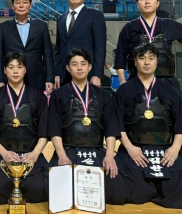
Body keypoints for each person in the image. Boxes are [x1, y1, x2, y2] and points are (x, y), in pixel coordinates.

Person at [113, 43, 182, 209]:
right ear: (135, 62)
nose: (146, 62)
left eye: (151, 58)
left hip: (164, 151)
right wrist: (130, 148)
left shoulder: (170, 91)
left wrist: (174, 150)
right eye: (142, 58)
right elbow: (117, 123)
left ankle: (154, 189)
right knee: (115, 188)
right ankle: (149, 189)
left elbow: (180, 126)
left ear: (157, 61)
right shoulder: (124, 91)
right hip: (134, 150)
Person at [48, 48, 127, 204]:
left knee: (118, 192)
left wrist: (109, 156)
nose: (79, 68)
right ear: (68, 68)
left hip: (97, 150)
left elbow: (111, 129)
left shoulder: (103, 95)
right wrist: (61, 155)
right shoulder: (59, 95)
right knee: (55, 191)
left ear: (90, 67)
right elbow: (54, 129)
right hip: (69, 150)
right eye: (74, 64)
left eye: (83, 64)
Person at [0, 52, 49, 205]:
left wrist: (34, 154)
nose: (15, 71)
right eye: (11, 67)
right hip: (3, 155)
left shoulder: (38, 96)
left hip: (31, 154)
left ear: (25, 69)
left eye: (19, 67)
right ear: (5, 70)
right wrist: (4, 153)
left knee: (38, 189)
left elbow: (44, 131)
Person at [114, 0, 182, 108]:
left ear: (158, 3)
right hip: (136, 80)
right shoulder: (129, 27)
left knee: (171, 115)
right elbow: (120, 56)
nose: (147, 2)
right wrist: (123, 82)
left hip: (166, 81)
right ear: (137, 4)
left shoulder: (170, 25)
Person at [0, 0, 55, 94]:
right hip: (11, 78)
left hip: (36, 78)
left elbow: (48, 55)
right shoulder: (3, 27)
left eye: (25, 2)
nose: (21, 5)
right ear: (12, 6)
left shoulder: (41, 26)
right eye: (18, 2)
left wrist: (49, 79)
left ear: (30, 5)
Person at [54, 0, 107, 88]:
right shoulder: (61, 19)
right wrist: (57, 73)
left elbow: (100, 47)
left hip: (87, 73)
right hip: (64, 74)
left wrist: (97, 74)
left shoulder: (95, 15)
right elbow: (59, 49)